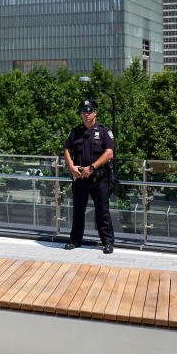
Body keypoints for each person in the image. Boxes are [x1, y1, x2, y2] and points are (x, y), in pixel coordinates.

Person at [63, 99, 115, 254]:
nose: (86, 114)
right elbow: (67, 149)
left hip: (99, 179)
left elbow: (109, 153)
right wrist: (71, 167)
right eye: (84, 112)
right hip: (80, 179)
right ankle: (75, 240)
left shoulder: (103, 131)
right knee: (78, 211)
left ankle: (107, 243)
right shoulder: (75, 131)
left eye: (89, 111)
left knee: (102, 212)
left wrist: (92, 167)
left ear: (95, 112)